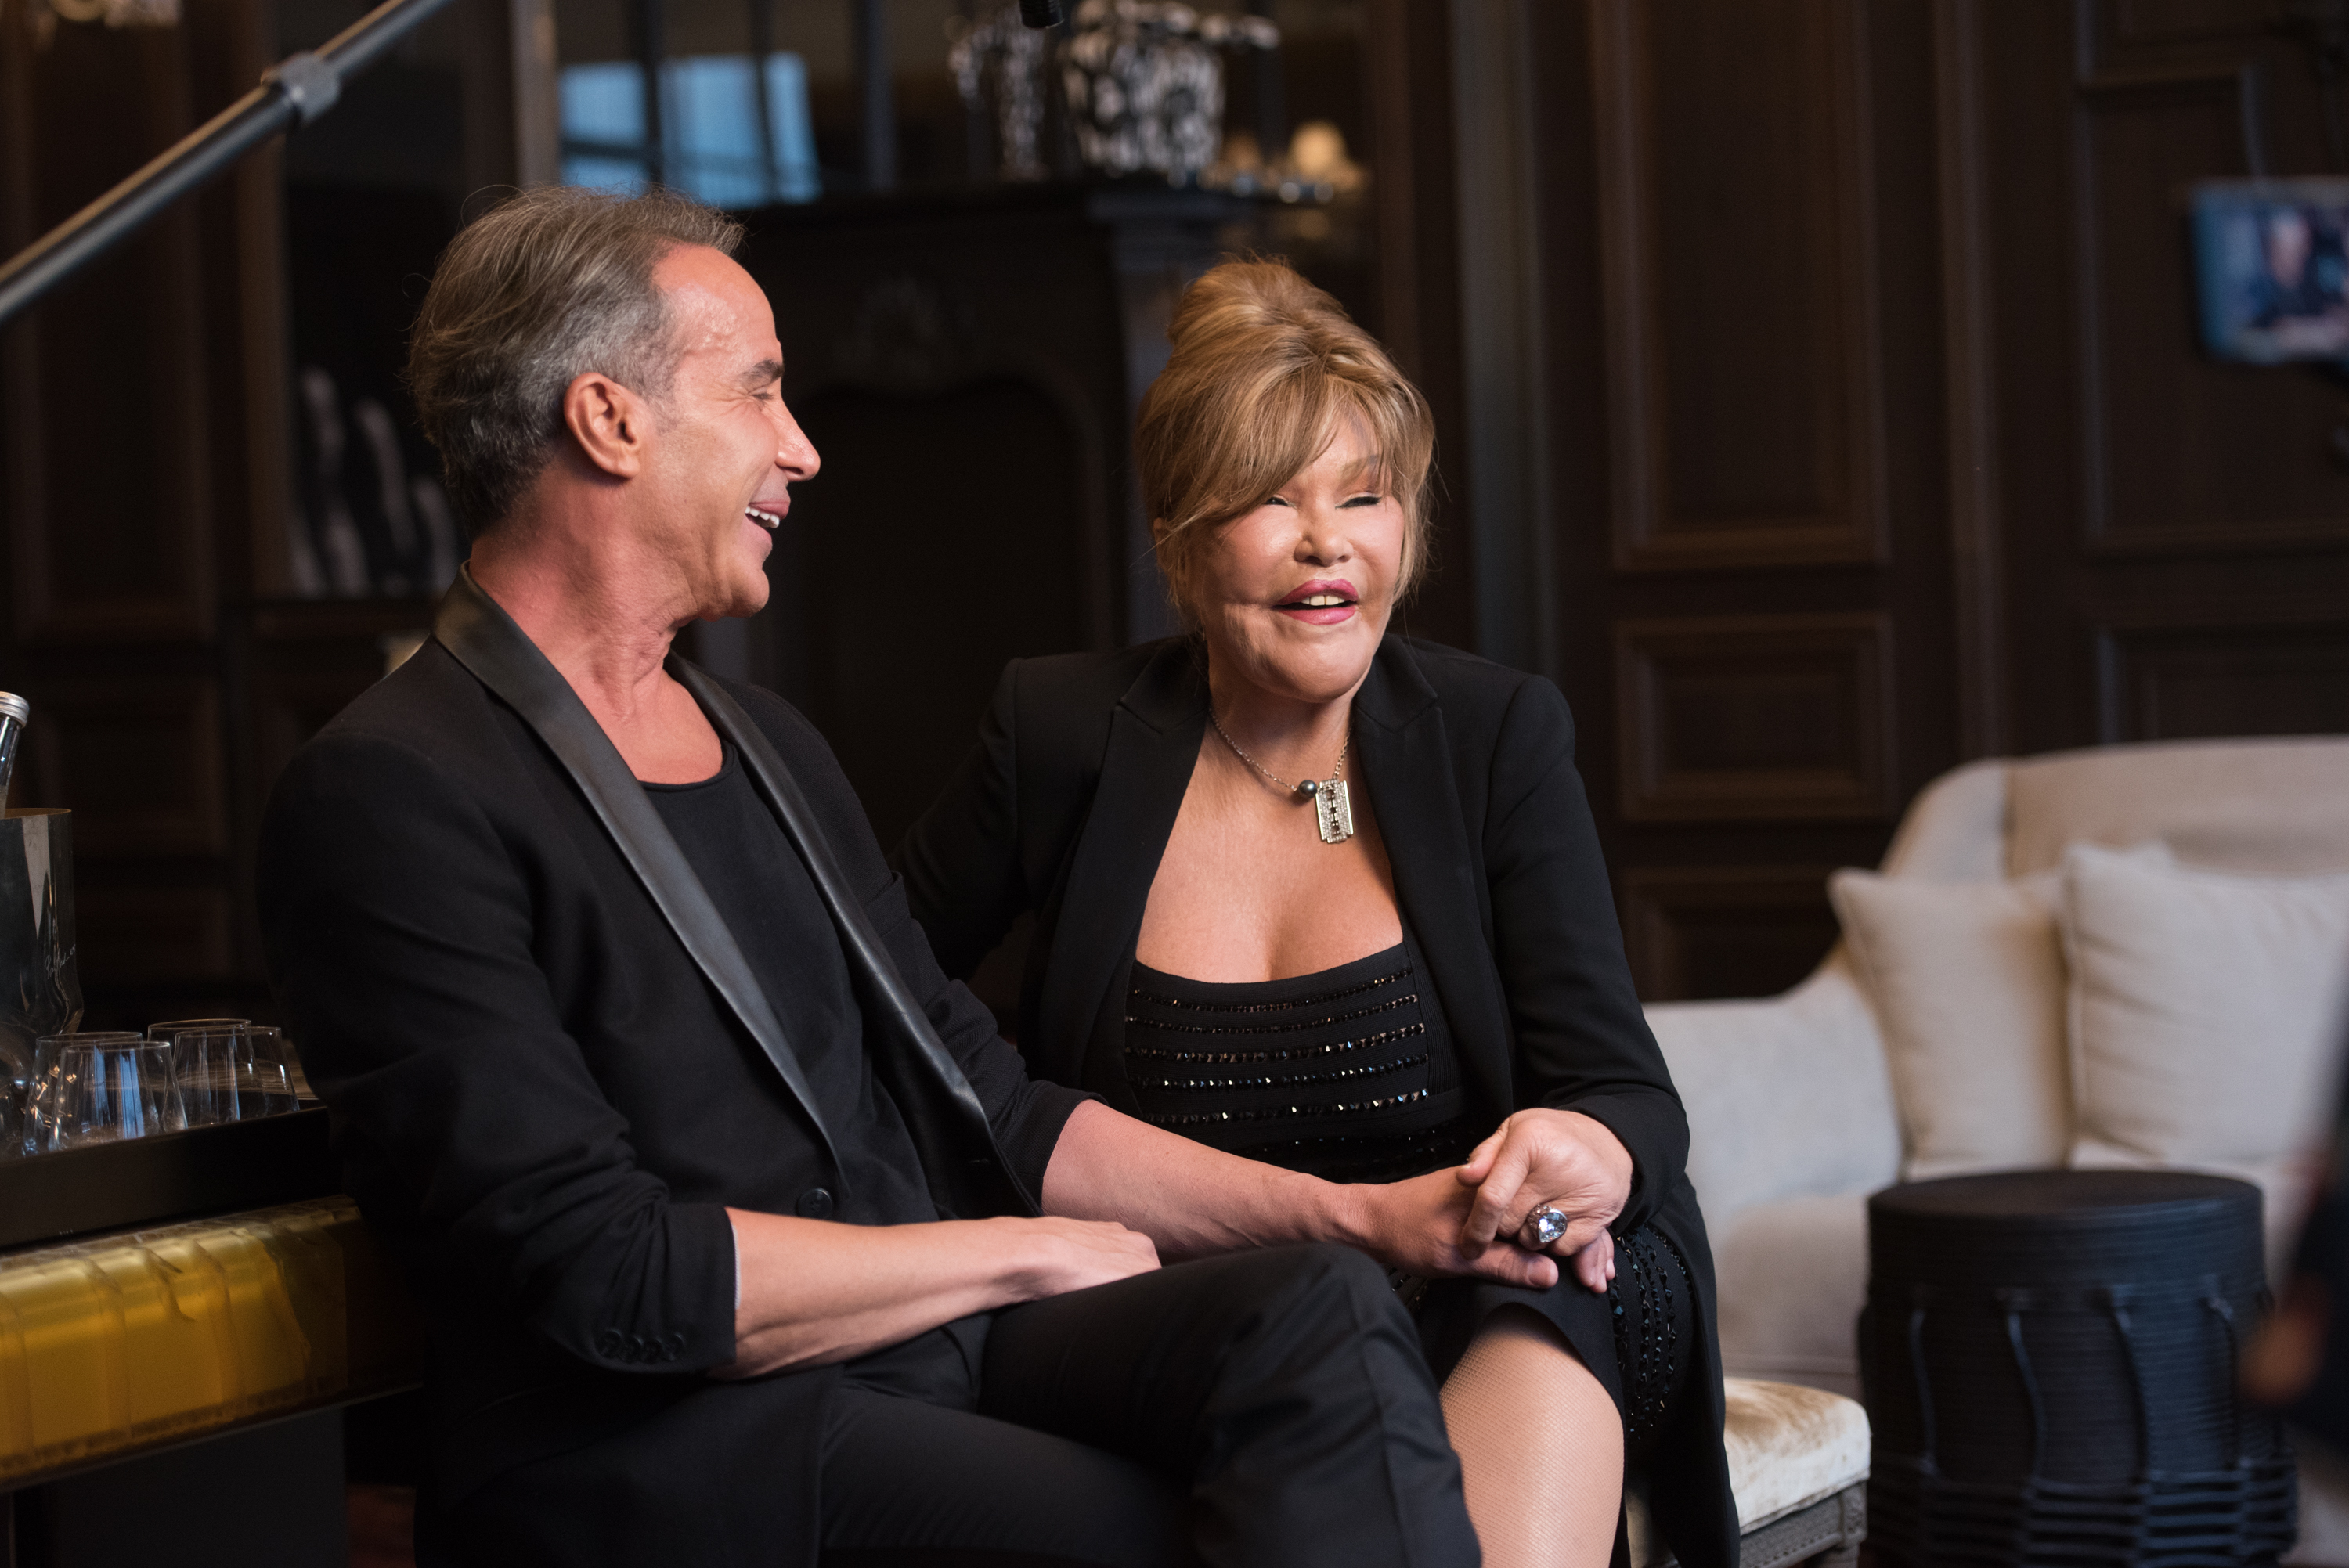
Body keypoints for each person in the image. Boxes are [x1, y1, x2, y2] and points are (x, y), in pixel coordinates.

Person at [257, 190, 1556, 1568]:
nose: (801, 448)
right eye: (760, 391)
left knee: (1324, 1313)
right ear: (609, 420)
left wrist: (1360, 1219)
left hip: (914, 1352)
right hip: (663, 1441)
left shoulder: (767, 747)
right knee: (1181, 1534)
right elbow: (610, 1279)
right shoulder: (394, 791)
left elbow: (985, 1100)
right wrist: (1019, 1253)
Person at [893, 261, 1738, 1568]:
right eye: (1270, 502)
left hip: (1489, 1277)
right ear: (1180, 531)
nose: (1327, 542)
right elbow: (875, 1007)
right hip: (1199, 1316)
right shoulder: (1060, 735)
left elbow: (1628, 1094)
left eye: (1365, 496)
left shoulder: (1494, 736)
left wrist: (1591, 1156)